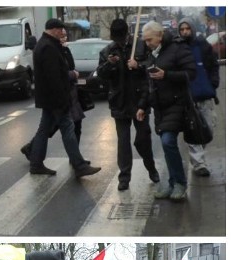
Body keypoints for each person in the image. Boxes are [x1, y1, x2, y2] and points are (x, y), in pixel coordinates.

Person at [27, 18, 100, 178]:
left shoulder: (46, 44)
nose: (63, 32)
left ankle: (36, 163)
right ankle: (79, 165)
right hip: (55, 97)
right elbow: (54, 77)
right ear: (54, 29)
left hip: (49, 97)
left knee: (43, 130)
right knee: (68, 129)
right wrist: (63, 98)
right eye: (61, 30)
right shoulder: (48, 47)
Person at [95, 18, 160, 191]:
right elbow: (101, 74)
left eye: (121, 38)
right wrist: (110, 63)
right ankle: (124, 177)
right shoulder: (108, 51)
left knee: (143, 138)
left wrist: (138, 65)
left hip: (140, 101)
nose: (119, 42)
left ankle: (151, 168)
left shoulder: (140, 46)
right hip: (119, 102)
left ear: (127, 34)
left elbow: (152, 65)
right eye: (116, 39)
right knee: (123, 142)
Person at [142, 21, 196, 201]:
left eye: (149, 39)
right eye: (145, 40)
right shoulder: (152, 53)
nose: (147, 43)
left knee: (167, 141)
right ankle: (173, 182)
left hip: (177, 103)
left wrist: (167, 75)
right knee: (167, 146)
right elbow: (148, 84)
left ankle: (180, 183)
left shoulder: (177, 48)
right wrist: (142, 106)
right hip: (160, 107)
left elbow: (191, 73)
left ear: (160, 35)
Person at [20, 29, 87, 156]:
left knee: (64, 125)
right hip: (61, 93)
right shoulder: (51, 50)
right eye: (61, 35)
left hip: (69, 92)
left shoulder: (63, 50)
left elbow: (71, 65)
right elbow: (59, 73)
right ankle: (76, 161)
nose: (64, 38)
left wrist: (65, 50)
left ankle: (33, 151)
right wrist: (73, 74)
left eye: (65, 36)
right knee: (58, 125)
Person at [177, 17, 220, 177]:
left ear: (192, 29)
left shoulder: (203, 46)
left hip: (206, 95)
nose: (185, 32)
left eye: (187, 29)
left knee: (208, 129)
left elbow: (214, 65)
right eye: (182, 29)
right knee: (194, 130)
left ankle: (199, 158)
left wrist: (213, 83)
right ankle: (199, 163)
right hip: (189, 98)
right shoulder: (178, 48)